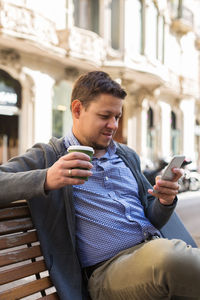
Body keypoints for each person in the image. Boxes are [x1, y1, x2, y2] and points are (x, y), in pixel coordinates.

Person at [0, 71, 199, 300]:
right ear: (77, 110)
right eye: (105, 116)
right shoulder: (49, 157)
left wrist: (164, 202)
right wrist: (47, 177)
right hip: (108, 273)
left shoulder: (126, 156)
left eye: (117, 116)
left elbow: (152, 217)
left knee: (168, 257)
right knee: (168, 259)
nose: (113, 125)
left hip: (154, 251)